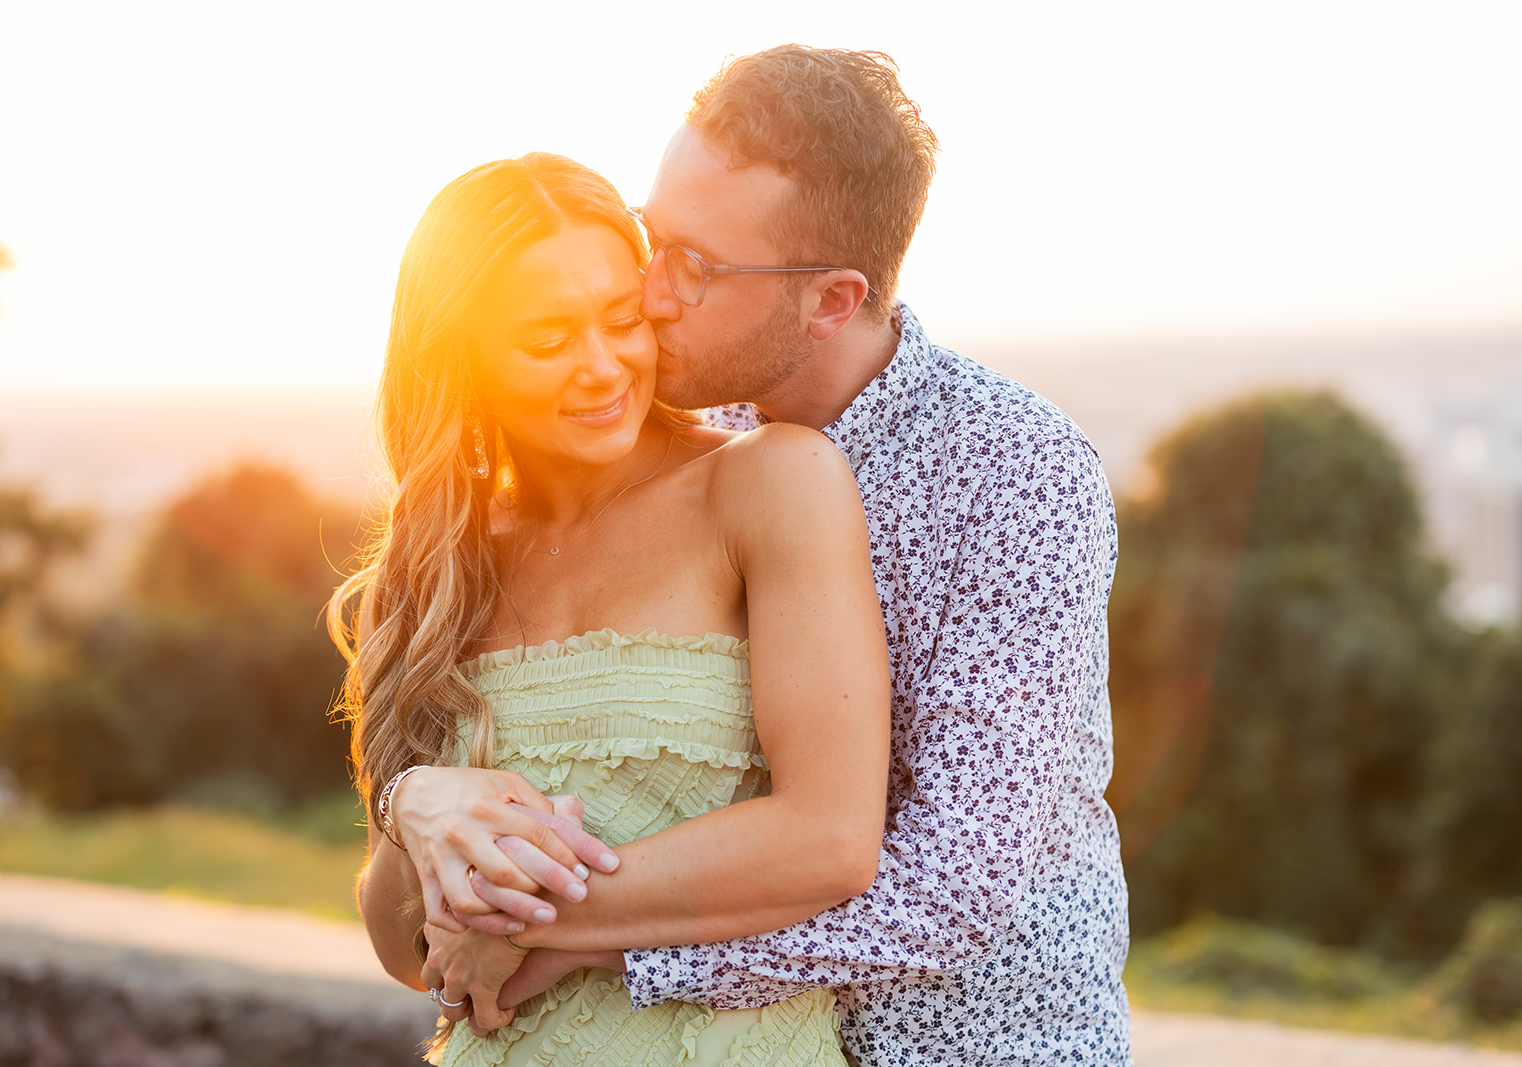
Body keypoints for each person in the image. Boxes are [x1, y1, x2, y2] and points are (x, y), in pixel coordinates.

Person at [376, 45, 1132, 1066]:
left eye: (697, 265)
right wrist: (411, 798)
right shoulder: (673, 441)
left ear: (828, 299)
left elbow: (948, 885)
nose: (653, 293)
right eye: (655, 239)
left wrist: (593, 944)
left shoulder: (1016, 473)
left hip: (975, 1046)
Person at [330, 151, 894, 1064]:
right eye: (547, 340)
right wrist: (413, 802)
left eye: (622, 318)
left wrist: (536, 922)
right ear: (459, 358)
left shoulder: (770, 481)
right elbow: (409, 953)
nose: (602, 368)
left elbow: (829, 840)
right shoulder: (430, 566)